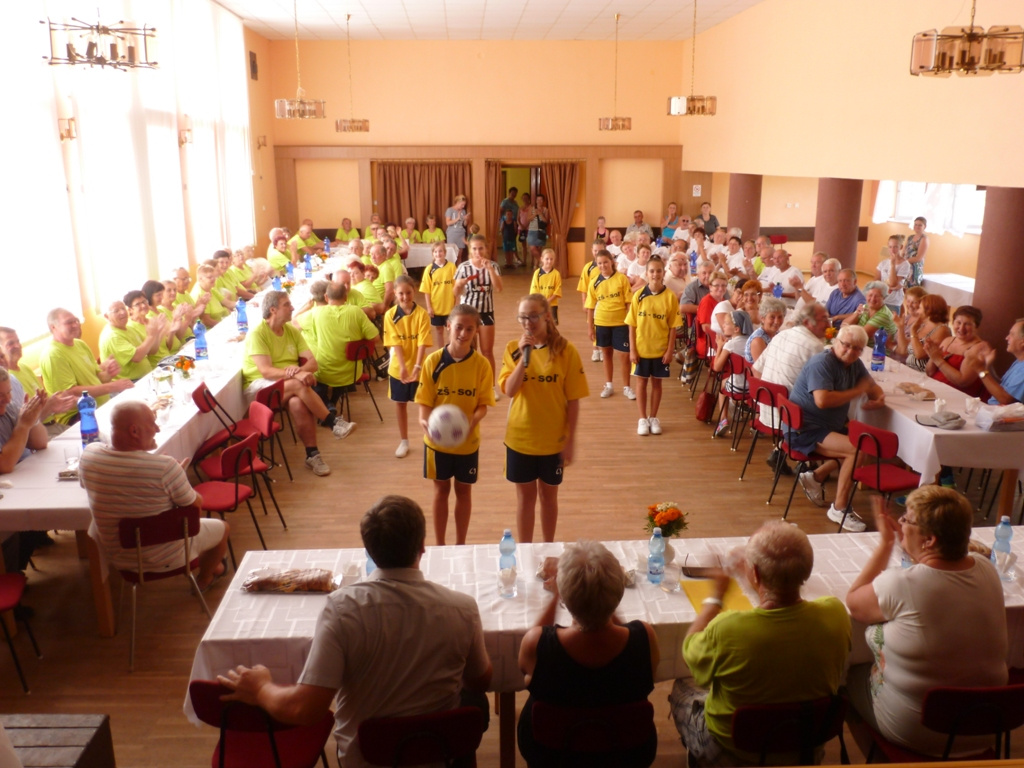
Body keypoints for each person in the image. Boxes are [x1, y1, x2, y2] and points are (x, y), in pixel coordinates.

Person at [218, 495, 492, 768]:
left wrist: (261, 688)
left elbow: (305, 709)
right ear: (422, 546)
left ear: (369, 551)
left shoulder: (341, 609)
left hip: (366, 759)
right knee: (475, 702)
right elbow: (480, 681)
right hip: (437, 755)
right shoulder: (462, 608)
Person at [669, 521, 850, 767]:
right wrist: (758, 580)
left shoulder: (728, 629)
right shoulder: (836, 614)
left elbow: (690, 650)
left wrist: (716, 598)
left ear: (754, 573)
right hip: (805, 747)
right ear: (807, 570)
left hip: (734, 752)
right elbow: (780, 606)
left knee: (682, 685)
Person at [846, 489, 1007, 757]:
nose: (900, 524)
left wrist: (886, 544)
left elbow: (854, 602)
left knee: (848, 674)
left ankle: (882, 758)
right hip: (986, 722)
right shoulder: (986, 568)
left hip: (920, 730)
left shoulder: (901, 584)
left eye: (907, 520)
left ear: (930, 540)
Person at [518, 541, 659, 767]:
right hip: (626, 757)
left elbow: (538, 639)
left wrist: (555, 596)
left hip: (551, 757)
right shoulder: (645, 637)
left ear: (565, 597)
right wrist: (604, 598)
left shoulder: (537, 643)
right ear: (618, 593)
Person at [79, 400, 229, 591]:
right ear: (134, 431)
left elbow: (92, 485)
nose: (157, 429)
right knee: (223, 528)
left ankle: (213, 566)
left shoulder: (89, 455)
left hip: (118, 556)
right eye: (152, 423)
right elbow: (195, 507)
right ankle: (206, 577)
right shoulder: (165, 467)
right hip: (168, 556)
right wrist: (178, 477)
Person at [499, 295, 588, 543]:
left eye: (533, 316)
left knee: (549, 497)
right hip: (520, 439)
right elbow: (509, 390)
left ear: (547, 316)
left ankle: (548, 548)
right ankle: (525, 551)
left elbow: (573, 400)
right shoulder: (513, 349)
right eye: (522, 317)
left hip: (553, 441)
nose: (527, 322)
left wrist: (570, 439)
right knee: (525, 499)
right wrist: (523, 359)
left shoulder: (566, 351)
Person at [241, 291, 350, 478]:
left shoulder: (291, 330)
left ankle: (312, 455)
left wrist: (299, 371)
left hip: (286, 383)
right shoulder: (257, 333)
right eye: (287, 305)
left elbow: (313, 363)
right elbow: (266, 371)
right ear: (273, 310)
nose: (292, 308)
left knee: (297, 403)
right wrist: (297, 374)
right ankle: (332, 422)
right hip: (259, 388)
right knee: (298, 385)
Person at [790, 324, 885, 531]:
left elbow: (871, 387)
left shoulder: (854, 364)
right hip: (804, 429)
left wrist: (878, 397)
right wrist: (857, 391)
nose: (850, 351)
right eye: (846, 345)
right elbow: (822, 400)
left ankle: (816, 476)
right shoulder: (822, 363)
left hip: (827, 426)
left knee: (865, 444)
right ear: (835, 342)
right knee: (857, 449)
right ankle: (839, 508)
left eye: (857, 348)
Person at [415, 305, 495, 546]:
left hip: (467, 442)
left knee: (463, 491)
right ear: (448, 326)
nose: (463, 333)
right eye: (459, 327)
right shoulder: (433, 361)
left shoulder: (482, 365)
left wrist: (472, 421)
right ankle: (440, 545)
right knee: (441, 491)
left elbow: (483, 405)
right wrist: (423, 420)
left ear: (476, 330)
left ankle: (461, 544)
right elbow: (424, 401)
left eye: (470, 329)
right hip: (437, 443)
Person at [752, 302, 830, 476]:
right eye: (824, 320)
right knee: (832, 410)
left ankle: (780, 450)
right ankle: (807, 461)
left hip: (767, 410)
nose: (828, 324)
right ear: (808, 322)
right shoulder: (814, 346)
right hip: (790, 417)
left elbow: (756, 369)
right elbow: (821, 389)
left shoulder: (781, 335)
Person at [39, 308, 134, 427]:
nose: (75, 325)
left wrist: (109, 374)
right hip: (79, 417)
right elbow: (71, 392)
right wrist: (112, 386)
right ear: (53, 327)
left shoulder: (80, 344)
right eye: (69, 322)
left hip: (101, 406)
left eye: (76, 320)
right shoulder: (53, 354)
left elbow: (97, 377)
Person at [302, 282, 378, 428]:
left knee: (312, 375)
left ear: (326, 297)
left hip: (325, 371)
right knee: (340, 372)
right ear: (346, 297)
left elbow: (294, 322)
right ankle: (331, 403)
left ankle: (327, 406)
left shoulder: (316, 313)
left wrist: (306, 306)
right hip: (352, 371)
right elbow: (375, 338)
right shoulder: (356, 312)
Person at [626, 257, 678, 436]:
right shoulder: (638, 295)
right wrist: (632, 349)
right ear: (646, 274)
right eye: (652, 271)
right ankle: (642, 419)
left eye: (659, 271)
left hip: (660, 350)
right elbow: (631, 324)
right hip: (641, 349)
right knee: (641, 383)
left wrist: (670, 350)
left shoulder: (670, 297)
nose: (655, 274)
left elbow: (673, 327)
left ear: (663, 273)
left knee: (657, 383)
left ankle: (653, 417)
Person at [385, 275, 432, 459]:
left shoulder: (422, 314)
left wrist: (417, 366)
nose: (405, 297)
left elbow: (422, 342)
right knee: (400, 403)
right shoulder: (390, 315)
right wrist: (403, 366)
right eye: (401, 294)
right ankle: (404, 440)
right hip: (399, 368)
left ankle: (430, 438)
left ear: (414, 291)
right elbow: (395, 342)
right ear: (395, 294)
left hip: (419, 367)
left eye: (408, 292)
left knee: (425, 403)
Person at [454, 235, 503, 399]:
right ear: (470, 250)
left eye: (481, 248)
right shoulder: (463, 267)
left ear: (486, 249)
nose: (478, 252)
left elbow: (499, 288)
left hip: (486, 312)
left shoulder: (493, 266)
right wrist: (459, 285)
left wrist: (490, 270)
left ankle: (490, 387)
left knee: (487, 351)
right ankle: (469, 385)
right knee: (469, 351)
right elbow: (455, 292)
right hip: (467, 314)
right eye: (474, 248)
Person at [586, 249, 634, 400]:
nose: (603, 266)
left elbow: (628, 303)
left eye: (605, 262)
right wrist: (590, 328)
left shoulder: (622, 279)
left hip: (620, 323)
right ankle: (609, 385)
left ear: (611, 262)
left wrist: (631, 324)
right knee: (606, 354)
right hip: (602, 322)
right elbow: (590, 307)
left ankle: (627, 387)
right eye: (599, 263)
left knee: (624, 356)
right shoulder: (594, 282)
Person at [924, 305, 987, 398]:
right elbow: (929, 372)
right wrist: (932, 355)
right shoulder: (948, 340)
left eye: (967, 324)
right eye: (958, 322)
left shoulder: (978, 348)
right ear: (953, 323)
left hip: (957, 397)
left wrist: (938, 360)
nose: (961, 328)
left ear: (976, 327)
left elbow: (963, 382)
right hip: (935, 391)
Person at [711, 309, 753, 439]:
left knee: (721, 386)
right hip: (754, 388)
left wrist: (719, 346)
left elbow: (717, 367)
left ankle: (723, 419)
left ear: (736, 329)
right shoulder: (753, 342)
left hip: (738, 387)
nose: (723, 325)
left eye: (727, 323)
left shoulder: (731, 345)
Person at [98, 299, 163, 382]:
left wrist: (156, 333)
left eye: (123, 308)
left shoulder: (128, 327)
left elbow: (150, 351)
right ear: (106, 316)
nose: (122, 312)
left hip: (147, 376)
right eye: (116, 311)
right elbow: (137, 357)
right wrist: (151, 336)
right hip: (131, 383)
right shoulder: (112, 336)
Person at [966, 318, 1024, 405]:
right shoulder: (1019, 361)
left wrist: (980, 369)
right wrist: (988, 367)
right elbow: (1001, 387)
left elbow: (1006, 400)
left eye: (1012, 334)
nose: (1007, 338)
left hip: (1001, 412)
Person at [894, 291, 949, 370]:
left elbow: (920, 354)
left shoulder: (942, 329)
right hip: (908, 369)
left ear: (929, 310)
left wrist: (913, 331)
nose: (917, 311)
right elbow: (903, 350)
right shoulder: (922, 325)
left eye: (919, 308)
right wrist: (900, 328)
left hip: (922, 373)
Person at [419, 241, 457, 350]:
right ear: (432, 254)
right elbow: (426, 290)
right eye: (435, 252)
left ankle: (451, 350)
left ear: (445, 252)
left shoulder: (452, 267)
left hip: (450, 306)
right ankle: (441, 351)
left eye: (440, 251)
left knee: (451, 330)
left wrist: (456, 304)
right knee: (439, 330)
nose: (438, 254)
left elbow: (456, 287)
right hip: (436, 307)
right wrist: (429, 307)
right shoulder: (429, 269)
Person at [876, 235, 912, 313]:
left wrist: (892, 264)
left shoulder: (905, 264)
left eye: (895, 247)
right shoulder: (883, 263)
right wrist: (889, 287)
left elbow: (893, 283)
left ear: (901, 247)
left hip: (893, 301)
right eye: (890, 247)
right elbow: (876, 282)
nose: (892, 250)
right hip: (881, 299)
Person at [746, 296, 786, 364]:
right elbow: (762, 367)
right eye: (772, 317)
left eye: (780, 317)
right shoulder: (758, 340)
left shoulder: (777, 334)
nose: (777, 322)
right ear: (762, 318)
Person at [529, 248, 562, 324]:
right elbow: (534, 290)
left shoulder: (556, 274)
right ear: (542, 259)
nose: (549, 261)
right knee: (540, 323)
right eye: (547, 259)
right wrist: (541, 301)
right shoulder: (537, 273)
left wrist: (549, 300)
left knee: (552, 323)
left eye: (551, 259)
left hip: (552, 304)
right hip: (540, 304)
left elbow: (557, 290)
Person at [525, 194, 550, 269]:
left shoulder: (545, 210)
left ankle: (536, 266)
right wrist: (535, 214)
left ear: (543, 201)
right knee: (532, 248)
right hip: (532, 231)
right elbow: (528, 219)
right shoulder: (531, 208)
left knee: (539, 249)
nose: (539, 201)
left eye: (541, 200)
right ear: (536, 201)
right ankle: (542, 262)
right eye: (538, 200)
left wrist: (540, 214)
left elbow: (546, 221)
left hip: (541, 231)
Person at [904, 216, 929, 288]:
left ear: (924, 226)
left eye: (920, 225)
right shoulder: (910, 237)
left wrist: (904, 261)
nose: (917, 227)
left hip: (915, 269)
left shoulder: (924, 239)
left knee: (912, 291)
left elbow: (919, 258)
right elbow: (903, 252)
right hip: (905, 266)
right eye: (915, 224)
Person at [445, 194, 471, 261]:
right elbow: (448, 223)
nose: (463, 206)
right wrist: (457, 218)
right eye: (462, 204)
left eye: (464, 205)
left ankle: (459, 267)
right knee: (452, 255)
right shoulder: (450, 210)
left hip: (461, 234)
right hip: (452, 234)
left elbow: (464, 225)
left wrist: (466, 219)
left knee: (459, 255)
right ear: (457, 202)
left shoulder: (463, 211)